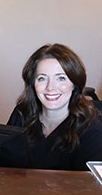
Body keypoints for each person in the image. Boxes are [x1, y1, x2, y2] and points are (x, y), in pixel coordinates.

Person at [7, 43, 102, 171]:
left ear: (75, 83)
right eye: (42, 78)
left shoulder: (92, 130)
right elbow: (3, 164)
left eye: (61, 78)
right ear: (32, 83)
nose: (50, 87)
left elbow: (88, 187)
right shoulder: (22, 114)